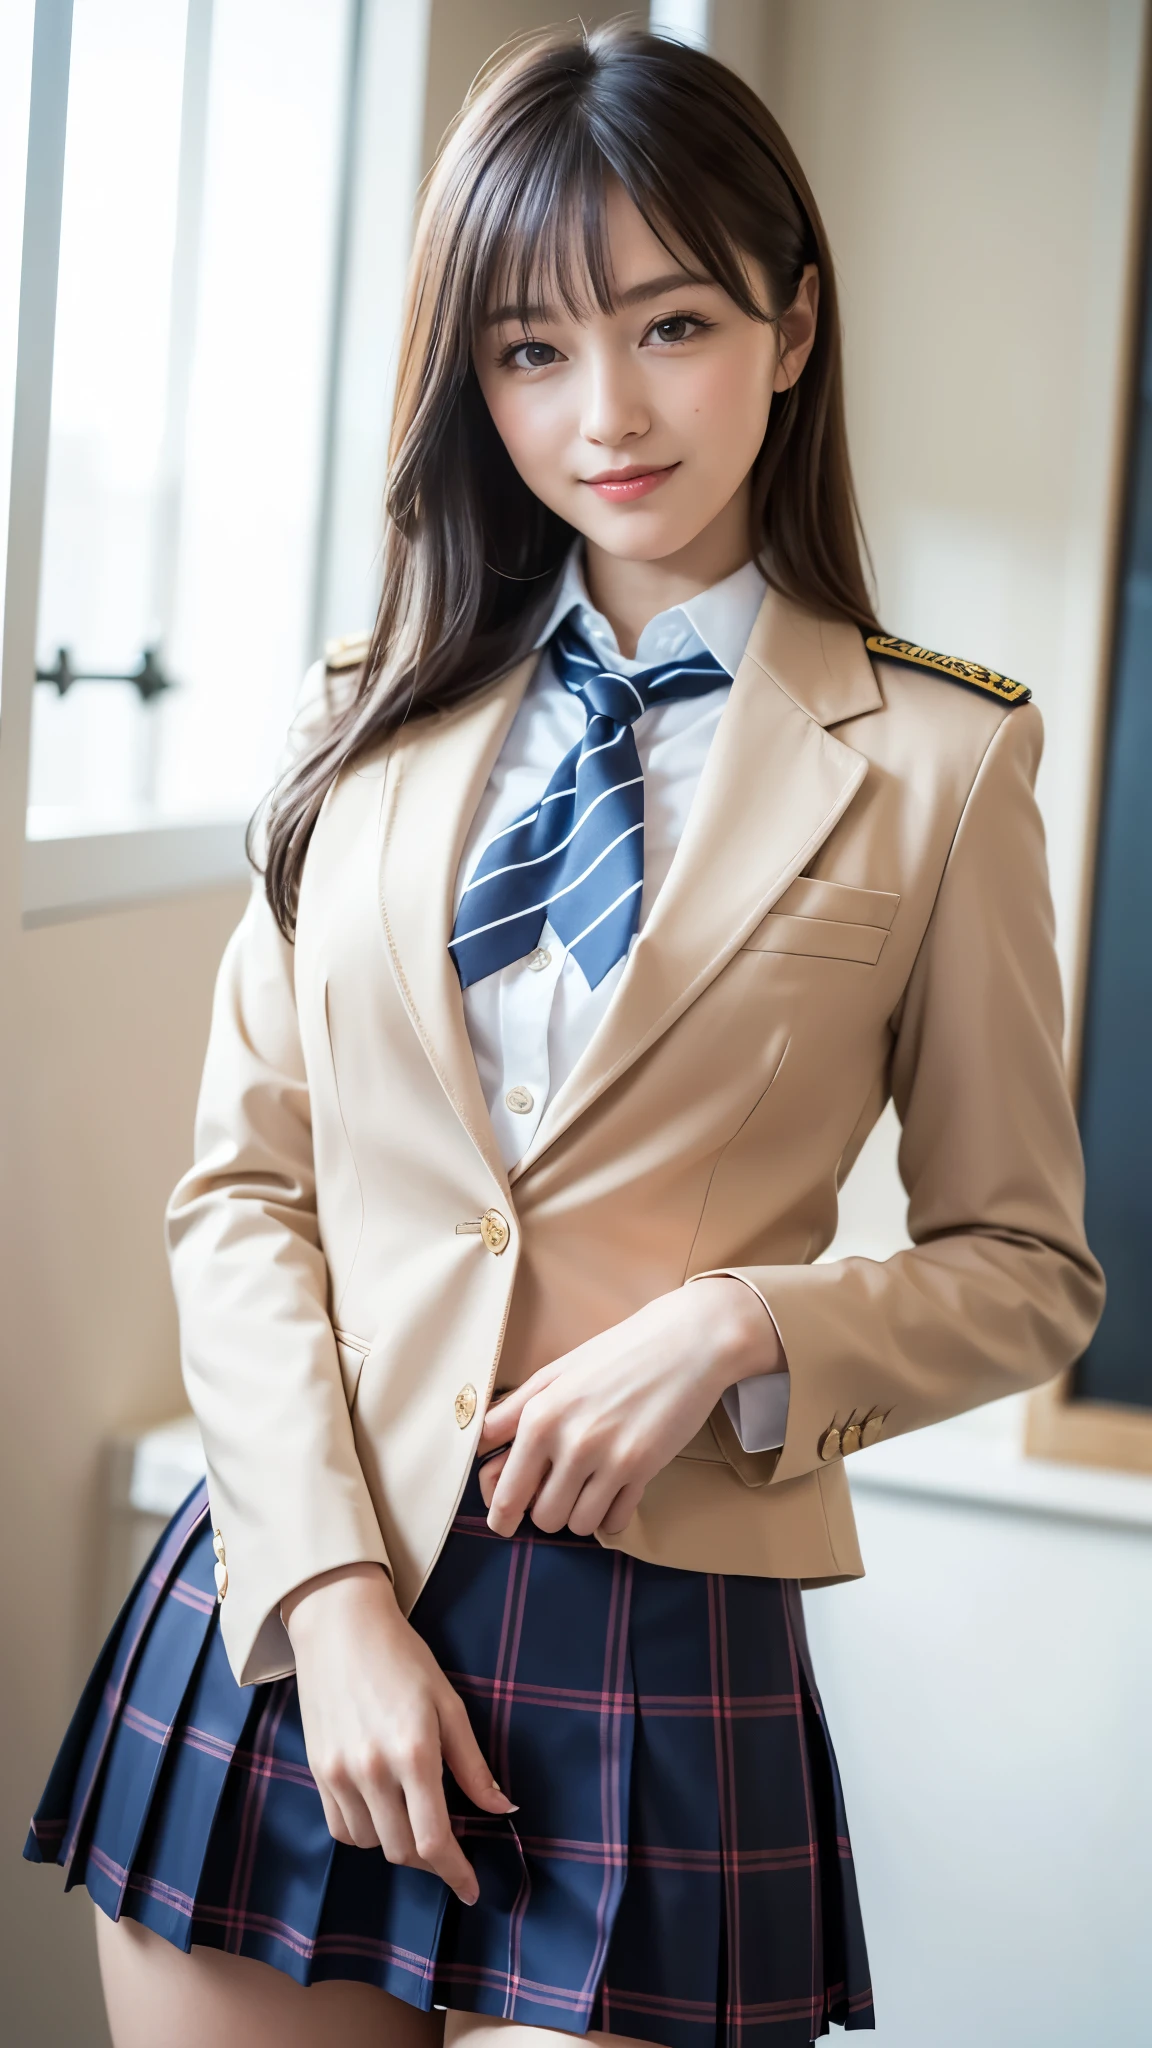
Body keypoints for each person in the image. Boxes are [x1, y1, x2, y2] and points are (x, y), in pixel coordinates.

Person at [27, 23, 1104, 2048]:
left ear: (791, 330)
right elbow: (246, 1192)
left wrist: (754, 1326)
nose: (604, 409)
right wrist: (327, 1600)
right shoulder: (362, 711)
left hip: (650, 1637)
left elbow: (1029, 1268)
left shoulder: (947, 761)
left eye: (671, 323)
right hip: (289, 1589)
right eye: (529, 348)